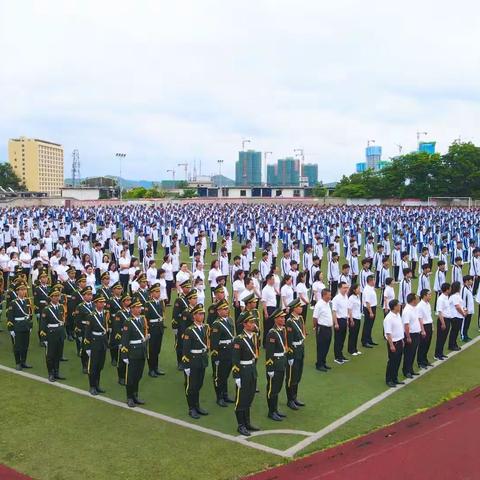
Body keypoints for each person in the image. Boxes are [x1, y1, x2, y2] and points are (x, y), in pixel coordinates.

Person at [232, 312, 260, 436]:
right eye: (250, 322)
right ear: (244, 324)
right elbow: (235, 359)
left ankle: (247, 422)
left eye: (253, 322)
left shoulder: (253, 336)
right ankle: (241, 425)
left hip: (251, 369)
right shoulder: (239, 339)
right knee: (241, 399)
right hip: (242, 370)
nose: (253, 324)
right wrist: (236, 376)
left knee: (249, 397)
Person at [182, 303, 209, 419]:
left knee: (199, 384)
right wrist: (186, 365)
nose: (202, 316)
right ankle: (191, 408)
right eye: (199, 314)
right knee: (191, 386)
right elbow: (185, 350)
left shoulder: (204, 327)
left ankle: (197, 406)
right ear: (194, 316)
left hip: (201, 360)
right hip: (192, 361)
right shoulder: (189, 331)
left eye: (203, 314)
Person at [120, 298, 149, 407]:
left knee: (138, 375)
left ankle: (135, 395)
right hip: (132, 352)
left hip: (141, 351)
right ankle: (129, 397)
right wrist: (124, 354)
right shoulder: (128, 322)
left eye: (139, 307)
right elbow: (125, 339)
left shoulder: (142, 319)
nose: (139, 309)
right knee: (131, 377)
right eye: (137, 307)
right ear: (132, 309)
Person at [210, 299, 235, 407]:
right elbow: (214, 342)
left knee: (225, 375)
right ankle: (219, 397)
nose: (226, 310)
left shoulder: (229, 320)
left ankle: (225, 395)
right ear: (218, 311)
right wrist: (216, 356)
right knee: (219, 376)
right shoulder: (216, 324)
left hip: (230, 351)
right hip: (221, 352)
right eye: (224, 309)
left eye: (226, 308)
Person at [265, 308, 288, 421]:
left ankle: (275, 410)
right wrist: (270, 368)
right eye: (281, 317)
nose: (283, 319)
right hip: (274, 364)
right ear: (276, 319)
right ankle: (271, 411)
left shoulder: (281, 330)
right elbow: (269, 353)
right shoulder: (272, 333)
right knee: (272, 389)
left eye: (284, 317)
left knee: (277, 388)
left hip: (281, 362)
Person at [39, 288, 67, 382]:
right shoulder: (46, 309)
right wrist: (44, 338)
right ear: (51, 297)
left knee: (58, 354)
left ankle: (56, 372)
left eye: (57, 296)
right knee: (50, 355)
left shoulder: (60, 307)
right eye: (54, 296)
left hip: (60, 332)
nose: (56, 298)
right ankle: (50, 373)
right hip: (51, 333)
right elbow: (43, 325)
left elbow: (63, 320)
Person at [84, 293, 109, 396]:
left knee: (100, 365)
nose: (102, 304)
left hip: (102, 341)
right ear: (95, 303)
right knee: (93, 366)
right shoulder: (91, 316)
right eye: (100, 302)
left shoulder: (104, 314)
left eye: (103, 302)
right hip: (94, 342)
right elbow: (87, 332)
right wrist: (88, 347)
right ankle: (92, 386)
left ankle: (97, 385)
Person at [6, 282, 33, 370]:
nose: (23, 291)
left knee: (25, 345)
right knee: (17, 346)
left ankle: (23, 361)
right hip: (17, 326)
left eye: (24, 289)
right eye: (21, 290)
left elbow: (30, 314)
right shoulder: (13, 303)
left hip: (26, 325)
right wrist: (11, 329)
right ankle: (18, 363)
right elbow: (10, 317)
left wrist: (30, 326)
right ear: (17, 291)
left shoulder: (27, 301)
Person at [285, 298, 306, 410]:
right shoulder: (289, 322)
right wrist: (290, 355)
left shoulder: (300, 319)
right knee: (291, 377)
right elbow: (288, 341)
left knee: (297, 375)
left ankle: (294, 397)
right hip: (293, 350)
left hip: (300, 349)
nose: (301, 308)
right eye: (299, 307)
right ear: (294, 309)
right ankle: (290, 400)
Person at [145, 283, 166, 377]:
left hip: (159, 327)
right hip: (152, 328)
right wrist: (147, 331)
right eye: (156, 292)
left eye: (159, 291)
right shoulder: (148, 304)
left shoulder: (160, 302)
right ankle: (151, 369)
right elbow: (146, 318)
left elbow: (162, 314)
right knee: (152, 350)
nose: (158, 293)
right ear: (151, 293)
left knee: (157, 349)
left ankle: (156, 368)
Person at [402, 293, 424, 379]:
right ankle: (406, 370)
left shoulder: (415, 308)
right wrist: (408, 337)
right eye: (417, 298)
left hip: (416, 333)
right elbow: (406, 325)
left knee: (413, 352)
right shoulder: (407, 310)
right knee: (408, 353)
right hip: (410, 334)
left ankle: (410, 369)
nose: (418, 299)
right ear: (413, 300)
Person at [383, 299, 405, 388]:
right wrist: (391, 345)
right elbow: (388, 333)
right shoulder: (389, 318)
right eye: (399, 305)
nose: (400, 306)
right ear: (395, 307)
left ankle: (394, 378)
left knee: (398, 361)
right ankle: (389, 379)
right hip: (394, 343)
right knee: (392, 361)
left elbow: (399, 328)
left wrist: (402, 340)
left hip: (399, 341)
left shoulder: (398, 315)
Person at [74, 286, 94, 374]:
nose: (90, 296)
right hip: (84, 330)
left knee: (93, 348)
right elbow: (77, 321)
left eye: (91, 294)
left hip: (93, 331)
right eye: (88, 294)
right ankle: (85, 365)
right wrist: (79, 333)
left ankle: (91, 364)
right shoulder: (80, 307)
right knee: (85, 349)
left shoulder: (94, 305)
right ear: (83, 296)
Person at [113, 292, 131, 385]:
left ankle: (127, 375)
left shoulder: (132, 312)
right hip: (122, 338)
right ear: (123, 302)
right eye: (127, 300)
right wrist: (120, 341)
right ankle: (121, 377)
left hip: (130, 339)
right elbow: (116, 329)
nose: (129, 302)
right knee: (121, 359)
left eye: (129, 300)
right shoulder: (119, 314)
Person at [312, 288, 333, 372]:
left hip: (328, 328)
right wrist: (315, 327)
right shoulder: (319, 304)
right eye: (329, 295)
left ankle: (323, 362)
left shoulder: (327, 303)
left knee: (326, 346)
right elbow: (315, 317)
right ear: (324, 295)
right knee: (321, 347)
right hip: (322, 328)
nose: (330, 296)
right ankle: (319, 364)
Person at [332, 281, 349, 364]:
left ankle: (341, 355)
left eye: (347, 287)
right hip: (338, 320)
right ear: (339, 288)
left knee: (343, 339)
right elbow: (334, 312)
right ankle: (337, 357)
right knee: (338, 339)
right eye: (344, 288)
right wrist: (336, 323)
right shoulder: (336, 298)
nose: (346, 289)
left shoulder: (346, 297)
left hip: (344, 319)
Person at [434, 282, 451, 360]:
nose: (451, 289)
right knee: (440, 338)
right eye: (449, 288)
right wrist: (443, 323)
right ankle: (437, 354)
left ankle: (441, 353)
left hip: (447, 319)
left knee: (444, 337)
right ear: (447, 290)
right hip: (443, 320)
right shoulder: (441, 299)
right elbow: (439, 312)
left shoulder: (446, 297)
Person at [417, 289, 433, 369]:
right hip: (424, 326)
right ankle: (420, 361)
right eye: (429, 294)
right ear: (424, 295)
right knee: (422, 345)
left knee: (427, 344)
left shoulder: (428, 304)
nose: (430, 296)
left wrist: (432, 325)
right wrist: (422, 330)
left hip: (429, 325)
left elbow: (429, 316)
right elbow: (420, 319)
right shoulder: (420, 306)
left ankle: (425, 359)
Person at [448, 281, 466, 352]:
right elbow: (457, 307)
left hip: (458, 316)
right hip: (455, 316)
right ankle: (451, 345)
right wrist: (463, 313)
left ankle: (454, 344)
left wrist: (464, 310)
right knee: (454, 331)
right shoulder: (454, 296)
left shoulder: (456, 295)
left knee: (455, 331)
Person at [361, 275, 378, 348]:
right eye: (373, 280)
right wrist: (370, 312)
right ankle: (364, 341)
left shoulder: (371, 288)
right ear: (370, 281)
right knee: (367, 325)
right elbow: (367, 302)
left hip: (373, 307)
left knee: (370, 325)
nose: (374, 281)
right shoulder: (367, 289)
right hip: (369, 309)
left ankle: (369, 339)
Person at [347, 283, 362, 356]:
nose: (359, 289)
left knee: (356, 334)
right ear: (354, 290)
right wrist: (351, 319)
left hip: (358, 317)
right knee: (352, 334)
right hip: (353, 318)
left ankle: (355, 348)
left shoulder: (358, 296)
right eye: (358, 288)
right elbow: (349, 309)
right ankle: (351, 349)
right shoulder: (351, 298)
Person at [460, 275, 474, 342]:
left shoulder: (469, 287)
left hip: (470, 311)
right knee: (464, 324)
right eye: (471, 280)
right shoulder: (464, 289)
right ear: (467, 281)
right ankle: (463, 336)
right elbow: (462, 300)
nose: (472, 281)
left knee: (467, 324)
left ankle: (466, 335)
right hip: (466, 311)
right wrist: (465, 309)